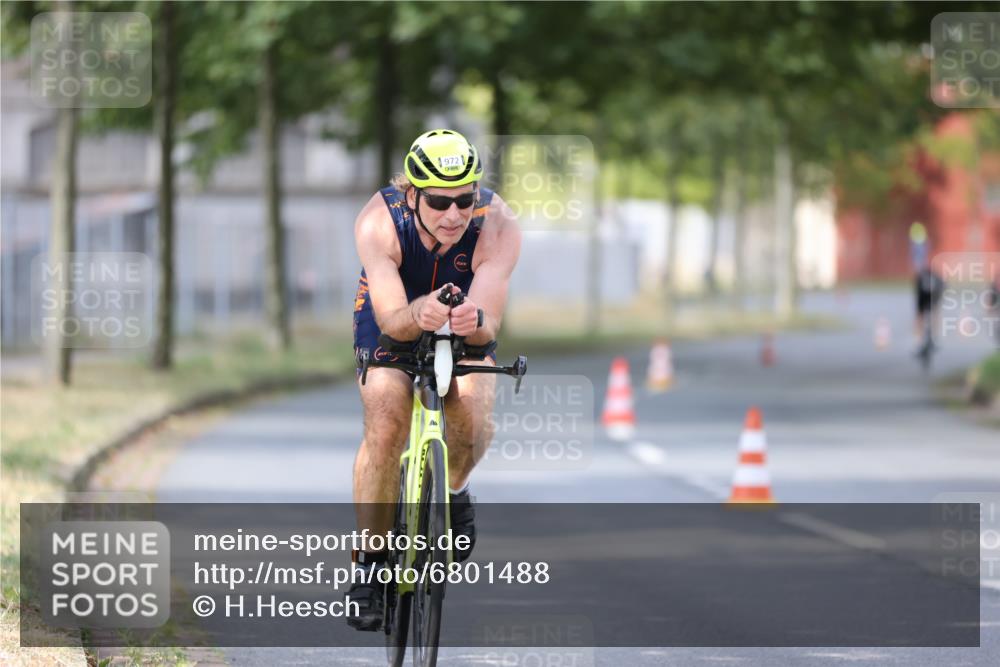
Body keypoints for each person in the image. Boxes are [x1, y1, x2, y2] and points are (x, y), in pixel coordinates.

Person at [347, 129, 521, 631]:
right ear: (412, 195)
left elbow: (490, 321)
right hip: (397, 315)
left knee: (470, 413)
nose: (454, 214)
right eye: (440, 201)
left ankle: (456, 489)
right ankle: (370, 565)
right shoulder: (379, 222)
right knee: (386, 415)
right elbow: (393, 320)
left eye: (465, 199)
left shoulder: (498, 226)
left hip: (464, 316)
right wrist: (421, 310)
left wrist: (474, 322)